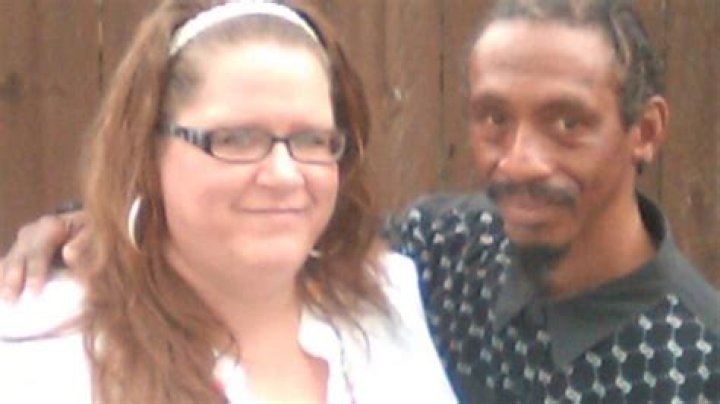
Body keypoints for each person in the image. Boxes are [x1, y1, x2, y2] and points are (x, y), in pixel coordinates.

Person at [3, 0, 720, 403]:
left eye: (568, 122)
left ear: (645, 132)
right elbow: (271, 227)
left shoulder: (693, 357)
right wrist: (87, 223)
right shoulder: (443, 253)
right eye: (495, 118)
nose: (521, 159)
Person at [0, 1, 456, 403]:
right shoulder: (40, 347)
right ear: (147, 152)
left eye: (312, 140)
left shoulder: (387, 300)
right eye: (237, 139)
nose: (284, 174)